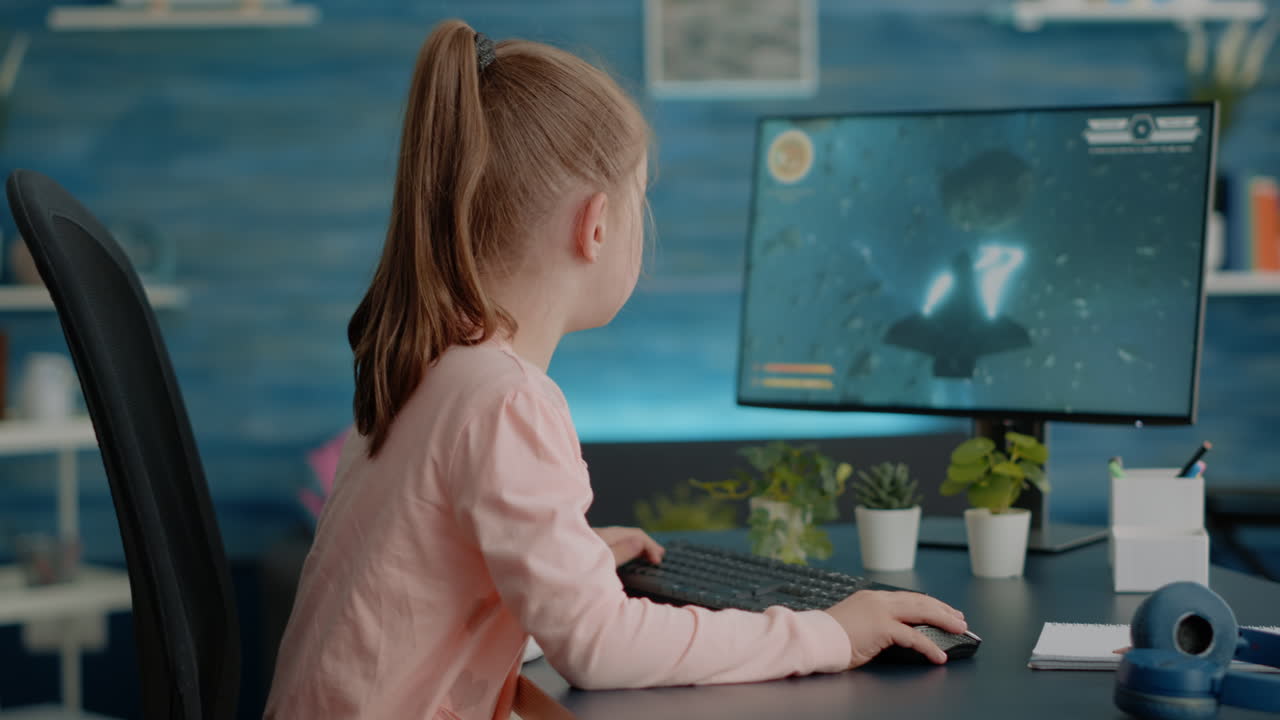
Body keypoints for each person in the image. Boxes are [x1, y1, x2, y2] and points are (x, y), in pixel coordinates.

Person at [264, 18, 968, 720]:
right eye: (642, 198)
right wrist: (828, 633)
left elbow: (425, 573)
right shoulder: (507, 401)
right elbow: (598, 648)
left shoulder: (422, 367)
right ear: (596, 226)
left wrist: (568, 560)